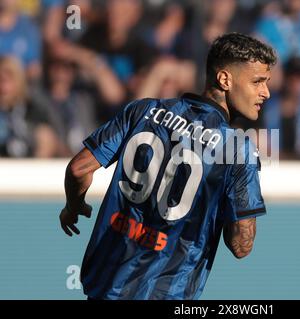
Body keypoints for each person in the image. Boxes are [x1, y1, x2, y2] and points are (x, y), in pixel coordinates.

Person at [59, 32, 276, 300]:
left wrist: (73, 206)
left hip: (105, 289)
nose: (265, 92)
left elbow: (78, 169)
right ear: (224, 79)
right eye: (258, 82)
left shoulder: (142, 111)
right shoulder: (236, 150)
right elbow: (241, 244)